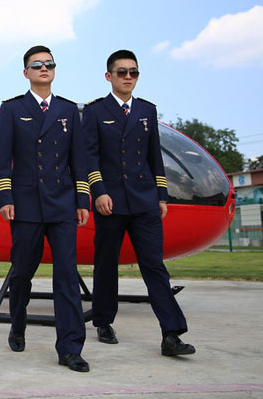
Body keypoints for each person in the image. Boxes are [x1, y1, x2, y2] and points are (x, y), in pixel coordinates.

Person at [83, 49, 195, 357]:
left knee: (154, 265)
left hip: (145, 200)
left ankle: (171, 333)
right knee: (106, 264)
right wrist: (98, 191)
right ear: (109, 76)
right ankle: (104, 321)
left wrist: (161, 195)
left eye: (133, 72)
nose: (128, 77)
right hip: (110, 201)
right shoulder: (95, 111)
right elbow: (89, 156)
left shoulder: (147, 110)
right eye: (122, 72)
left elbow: (154, 155)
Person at [0, 45, 91, 372]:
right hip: (26, 205)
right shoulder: (12, 109)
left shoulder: (68, 110)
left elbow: (79, 160)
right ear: (26, 73)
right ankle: (17, 323)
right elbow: (1, 160)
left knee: (66, 276)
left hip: (62, 204)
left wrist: (82, 200)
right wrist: (5, 198)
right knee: (22, 272)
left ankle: (70, 348)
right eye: (37, 65)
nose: (44, 68)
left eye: (49, 63)